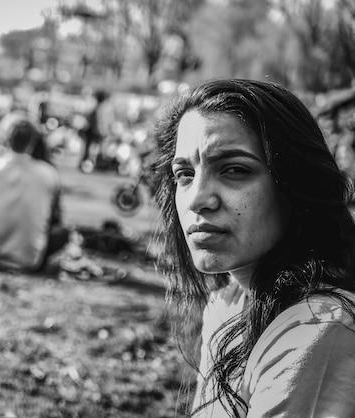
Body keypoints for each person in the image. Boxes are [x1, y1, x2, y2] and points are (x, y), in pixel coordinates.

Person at [152, 78, 355, 417]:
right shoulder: (226, 304)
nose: (198, 200)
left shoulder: (317, 331)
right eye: (184, 174)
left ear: (294, 185)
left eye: (234, 170)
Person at [0, 119, 69, 272]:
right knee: (63, 233)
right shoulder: (48, 174)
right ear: (33, 143)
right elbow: (54, 218)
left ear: (6, 140)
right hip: (32, 258)